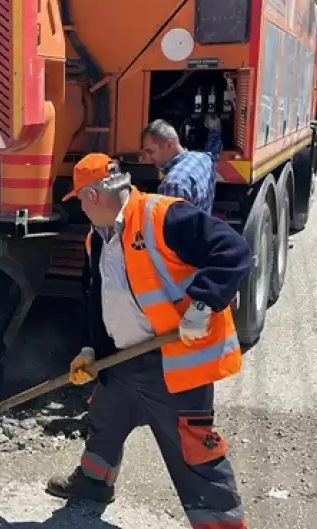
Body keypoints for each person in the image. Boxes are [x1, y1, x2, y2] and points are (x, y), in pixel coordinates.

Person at [52, 153, 251, 528]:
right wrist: (90, 348)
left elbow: (233, 251)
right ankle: (94, 483)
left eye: (79, 198)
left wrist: (201, 305)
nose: (79, 206)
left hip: (173, 367)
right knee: (104, 420)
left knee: (194, 454)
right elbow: (96, 296)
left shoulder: (163, 216)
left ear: (93, 196)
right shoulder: (97, 239)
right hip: (123, 360)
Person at [140, 115, 222, 215]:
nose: (148, 159)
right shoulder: (204, 160)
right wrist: (216, 129)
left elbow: (172, 227)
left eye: (150, 151)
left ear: (170, 144)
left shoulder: (174, 183)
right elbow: (214, 151)